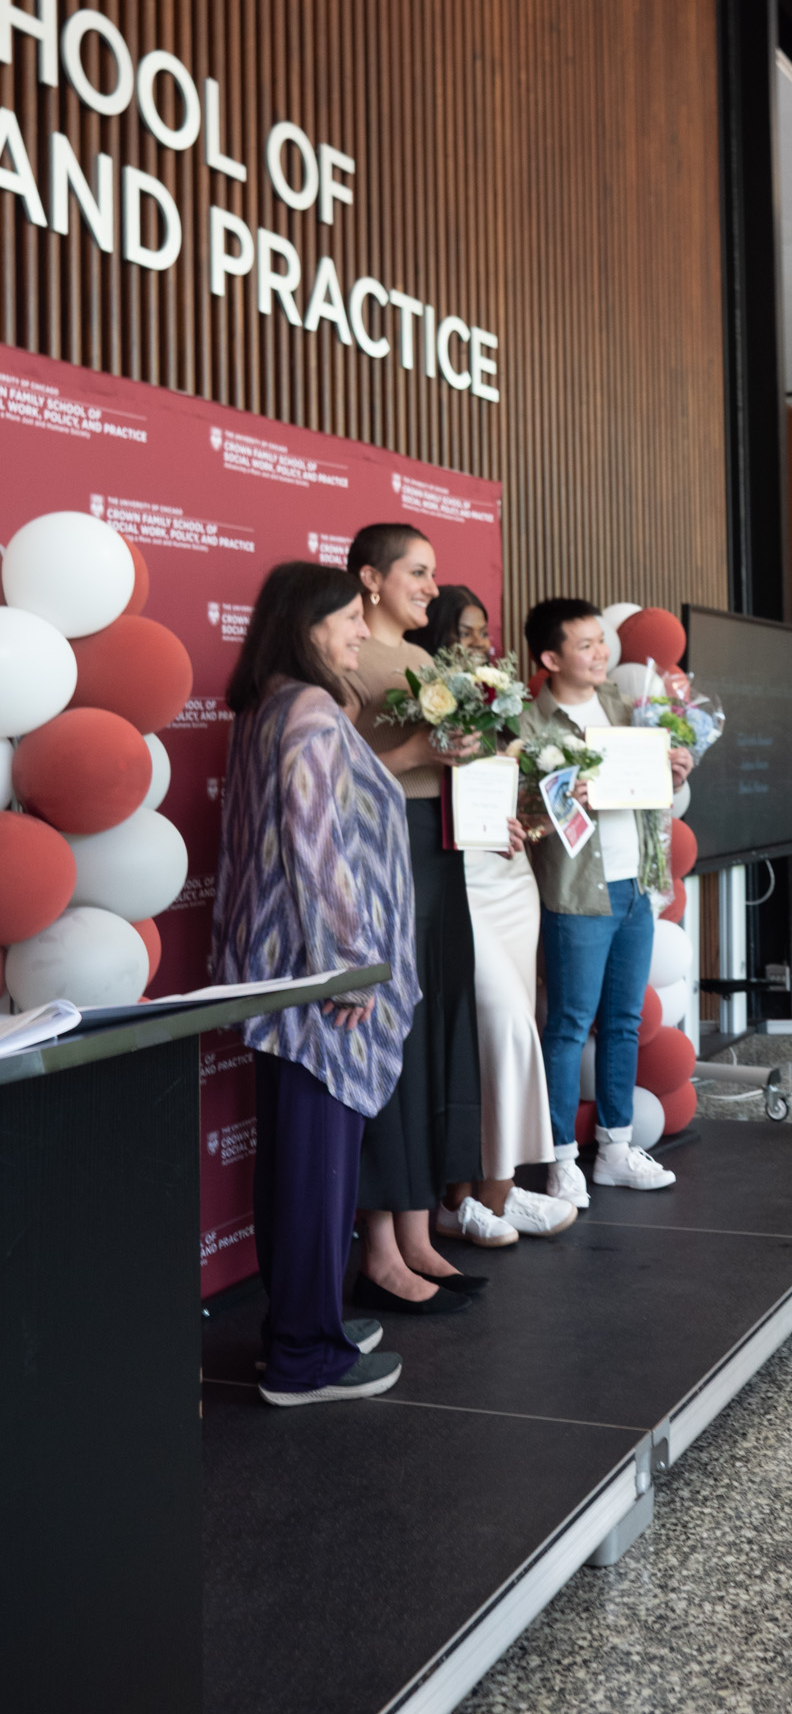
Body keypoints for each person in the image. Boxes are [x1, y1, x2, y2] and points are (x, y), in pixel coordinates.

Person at [212, 562, 418, 1406]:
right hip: (317, 984)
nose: (361, 631)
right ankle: (305, 1354)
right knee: (313, 1171)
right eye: (346, 619)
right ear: (308, 624)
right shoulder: (309, 712)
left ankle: (304, 1323)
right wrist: (350, 961)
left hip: (283, 980)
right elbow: (315, 846)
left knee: (299, 1165)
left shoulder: (270, 705)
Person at [347, 523, 507, 1310]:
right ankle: (379, 1250)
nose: (431, 588)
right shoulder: (347, 662)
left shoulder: (419, 662)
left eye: (434, 573)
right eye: (417, 572)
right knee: (393, 1039)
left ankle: (418, 1234)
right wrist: (419, 756)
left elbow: (447, 766)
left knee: (437, 1026)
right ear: (370, 580)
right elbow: (331, 784)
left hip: (439, 848)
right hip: (388, 849)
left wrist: (492, 805)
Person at [520, 598, 692, 1205]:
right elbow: (519, 819)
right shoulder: (530, 724)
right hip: (577, 892)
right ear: (550, 658)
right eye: (586, 645)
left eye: (602, 641)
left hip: (635, 886)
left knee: (623, 1021)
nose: (602, 653)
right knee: (567, 1026)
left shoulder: (623, 707)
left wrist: (670, 771)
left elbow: (647, 790)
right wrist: (564, 800)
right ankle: (561, 1158)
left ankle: (616, 1148)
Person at [422, 586, 575, 1240]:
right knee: (499, 1025)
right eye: (464, 631)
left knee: (520, 1026)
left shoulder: (501, 705)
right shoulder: (418, 704)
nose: (478, 644)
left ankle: (501, 1192)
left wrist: (543, 813)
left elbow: (516, 800)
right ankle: (457, 1200)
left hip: (512, 881)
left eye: (483, 632)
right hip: (459, 881)